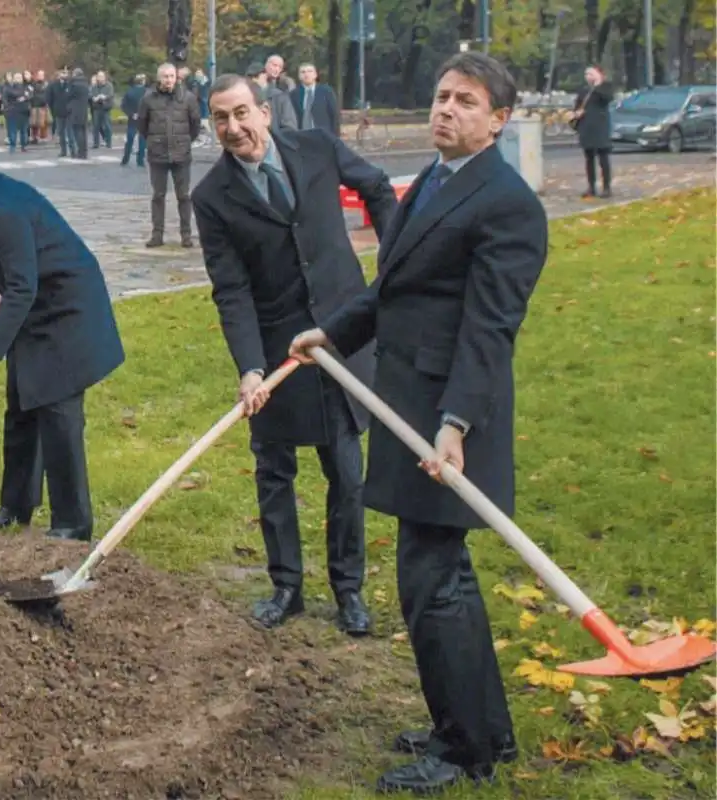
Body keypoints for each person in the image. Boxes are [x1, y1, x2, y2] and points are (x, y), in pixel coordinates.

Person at [290, 52, 548, 794]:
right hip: (406, 408)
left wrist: (457, 423)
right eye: (440, 96)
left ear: (497, 120)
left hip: (447, 424)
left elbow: (489, 329)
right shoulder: (434, 181)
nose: (445, 109)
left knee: (432, 584)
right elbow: (390, 290)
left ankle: (466, 747)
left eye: (465, 101)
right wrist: (330, 333)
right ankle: (473, 729)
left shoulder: (506, 205)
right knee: (434, 581)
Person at [191, 74, 397, 634]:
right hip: (279, 350)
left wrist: (395, 268)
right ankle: (287, 587)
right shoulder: (211, 197)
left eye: (240, 113)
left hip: (341, 334)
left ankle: (348, 589)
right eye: (220, 119)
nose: (233, 128)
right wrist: (250, 367)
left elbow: (378, 187)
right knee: (274, 472)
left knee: (346, 471)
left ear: (264, 111)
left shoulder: (317, 148)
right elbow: (230, 289)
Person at [0, 143, 125, 542]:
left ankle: (72, 523)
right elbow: (18, 274)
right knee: (20, 408)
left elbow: (22, 287)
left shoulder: (5, 208)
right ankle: (15, 508)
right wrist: (10, 286)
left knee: (58, 416)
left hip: (66, 311)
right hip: (34, 306)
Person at [138, 62, 201, 248]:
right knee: (158, 195)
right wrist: (153, 141)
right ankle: (157, 234)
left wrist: (186, 141)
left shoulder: (188, 98)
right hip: (157, 153)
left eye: (171, 76)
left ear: (177, 77)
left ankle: (186, 235)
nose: (168, 80)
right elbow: (142, 125)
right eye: (165, 76)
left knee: (184, 196)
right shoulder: (148, 99)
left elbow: (195, 124)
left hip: (181, 154)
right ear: (159, 78)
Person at [571, 65, 614, 198]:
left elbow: (607, 98)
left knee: (603, 158)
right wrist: (576, 113)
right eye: (586, 74)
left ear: (599, 74)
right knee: (589, 158)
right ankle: (591, 187)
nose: (588, 77)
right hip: (586, 127)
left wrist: (598, 85)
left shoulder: (605, 87)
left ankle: (606, 187)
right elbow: (577, 105)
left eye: (591, 73)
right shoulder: (584, 90)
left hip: (600, 127)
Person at [290, 63, 340, 137]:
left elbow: (334, 115)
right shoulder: (293, 94)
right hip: (302, 137)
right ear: (299, 76)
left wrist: (335, 137)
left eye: (310, 71)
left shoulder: (326, 91)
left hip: (324, 136)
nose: (306, 74)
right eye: (303, 72)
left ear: (315, 75)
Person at [246, 62, 297, 131]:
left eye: (256, 76)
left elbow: (289, 124)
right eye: (250, 77)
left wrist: (277, 138)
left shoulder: (279, 96)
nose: (253, 80)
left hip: (275, 139)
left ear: (264, 75)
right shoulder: (246, 97)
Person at [120, 74, 147, 167]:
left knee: (130, 139)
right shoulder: (147, 92)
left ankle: (125, 158)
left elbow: (123, 106)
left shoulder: (129, 92)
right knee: (142, 140)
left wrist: (131, 114)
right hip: (143, 118)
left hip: (132, 119)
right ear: (143, 81)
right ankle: (140, 159)